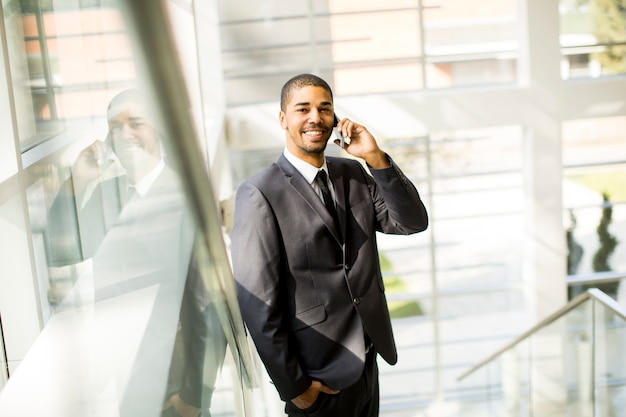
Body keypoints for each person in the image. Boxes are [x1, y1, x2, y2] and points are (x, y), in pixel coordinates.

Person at [230, 74, 428, 417]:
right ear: (282, 119)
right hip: (317, 378)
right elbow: (257, 302)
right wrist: (295, 389)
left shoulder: (352, 173)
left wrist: (375, 157)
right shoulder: (260, 192)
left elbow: (411, 221)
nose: (315, 118)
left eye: (325, 109)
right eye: (302, 109)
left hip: (366, 365)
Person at [45, 89, 226, 417]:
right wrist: (76, 182)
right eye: (114, 126)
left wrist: (195, 396)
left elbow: (211, 303)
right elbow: (60, 251)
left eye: (136, 123)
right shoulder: (104, 195)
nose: (124, 133)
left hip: (175, 382)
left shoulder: (186, 198)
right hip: (126, 377)